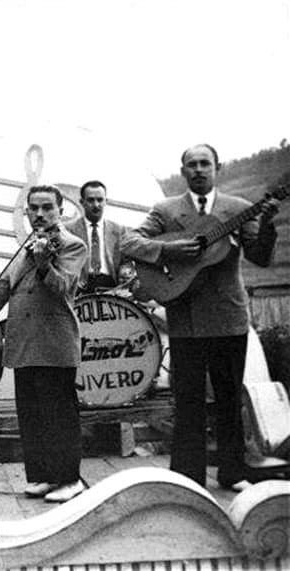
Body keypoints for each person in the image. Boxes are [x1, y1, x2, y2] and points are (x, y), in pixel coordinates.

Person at [120, 144, 278, 490]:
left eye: (205, 163)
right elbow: (128, 242)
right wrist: (168, 249)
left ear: (217, 167)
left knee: (229, 396)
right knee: (188, 399)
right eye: (191, 164)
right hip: (185, 317)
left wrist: (266, 223)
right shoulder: (166, 210)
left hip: (228, 316)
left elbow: (261, 257)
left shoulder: (238, 209)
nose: (199, 170)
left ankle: (233, 471)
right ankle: (187, 476)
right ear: (183, 171)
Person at [0, 185, 87, 502]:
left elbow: (63, 287)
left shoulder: (72, 245)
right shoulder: (26, 244)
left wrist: (44, 264)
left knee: (59, 415)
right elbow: (2, 288)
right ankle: (41, 475)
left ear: (60, 211)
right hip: (24, 342)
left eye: (47, 208)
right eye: (34, 208)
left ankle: (69, 479)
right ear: (26, 212)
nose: (40, 214)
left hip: (54, 343)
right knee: (31, 414)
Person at [64, 180, 131, 295]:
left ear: (106, 201)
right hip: (79, 287)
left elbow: (126, 261)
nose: (96, 205)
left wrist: (125, 271)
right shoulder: (69, 230)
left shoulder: (119, 231)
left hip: (110, 287)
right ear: (82, 202)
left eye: (100, 200)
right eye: (90, 200)